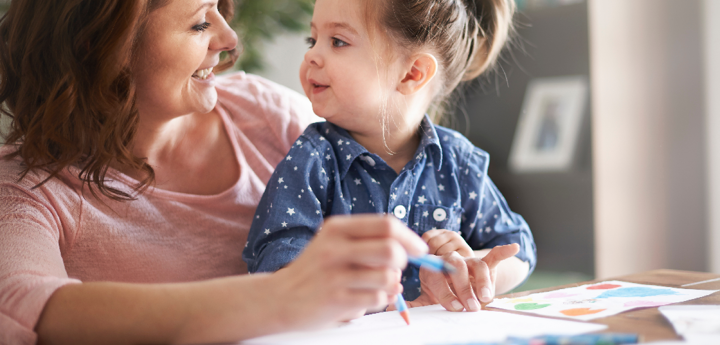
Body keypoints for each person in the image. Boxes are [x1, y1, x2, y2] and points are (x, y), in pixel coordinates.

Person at [0, 0, 433, 344]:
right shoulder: (26, 188)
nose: (228, 38)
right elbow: (24, 305)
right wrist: (283, 296)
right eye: (199, 24)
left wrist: (443, 257)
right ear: (106, 46)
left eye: (218, 12)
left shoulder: (267, 115)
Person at [243, 0, 536, 313]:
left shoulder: (458, 162)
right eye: (312, 40)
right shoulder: (311, 160)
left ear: (412, 73)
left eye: (338, 41)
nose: (311, 55)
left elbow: (519, 250)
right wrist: (345, 288)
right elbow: (274, 272)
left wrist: (473, 269)